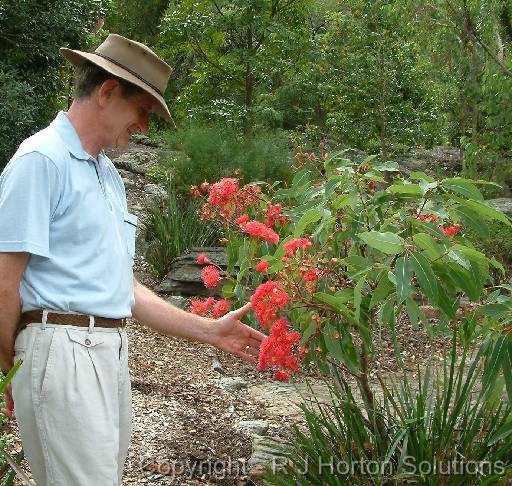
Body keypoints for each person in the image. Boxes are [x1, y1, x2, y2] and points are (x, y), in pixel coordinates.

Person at [0, 34, 265, 486]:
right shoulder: (41, 160)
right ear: (106, 93)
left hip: (108, 352)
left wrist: (209, 331)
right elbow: (5, 282)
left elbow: (123, 288)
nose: (144, 126)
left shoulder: (106, 176)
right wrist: (11, 366)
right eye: (143, 110)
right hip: (60, 350)